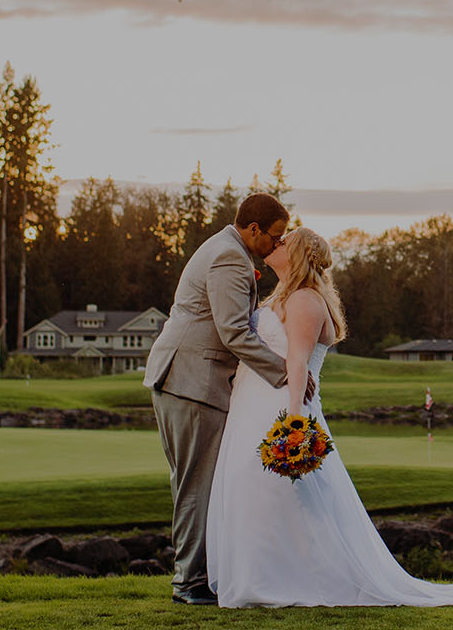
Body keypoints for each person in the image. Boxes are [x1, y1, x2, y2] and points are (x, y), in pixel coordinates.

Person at [205, 226, 453, 608]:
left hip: (280, 407)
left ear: (298, 254)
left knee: (281, 494)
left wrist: (294, 421)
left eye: (285, 241)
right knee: (255, 493)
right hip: (251, 406)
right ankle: (258, 578)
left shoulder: (305, 299)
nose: (277, 243)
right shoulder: (281, 296)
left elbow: (298, 361)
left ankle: (282, 582)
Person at [143, 193, 313, 606]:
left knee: (191, 481)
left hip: (184, 378)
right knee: (195, 484)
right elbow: (234, 331)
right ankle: (189, 582)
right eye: (274, 236)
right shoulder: (229, 258)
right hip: (192, 380)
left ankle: (194, 575)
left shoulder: (226, 249)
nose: (277, 244)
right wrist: (285, 372)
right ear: (254, 229)